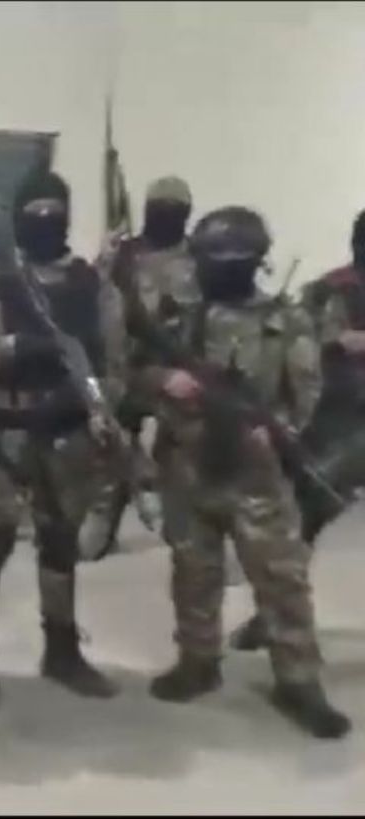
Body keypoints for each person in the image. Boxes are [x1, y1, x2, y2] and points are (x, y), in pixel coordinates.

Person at [142, 206, 350, 739]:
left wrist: (278, 431)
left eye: (228, 262)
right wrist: (165, 380)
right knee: (194, 570)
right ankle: (198, 661)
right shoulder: (181, 319)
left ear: (255, 263)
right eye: (210, 261)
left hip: (256, 472)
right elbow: (136, 372)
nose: (215, 271)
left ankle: (298, 679)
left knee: (281, 576)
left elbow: (307, 392)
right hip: (188, 464)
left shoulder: (286, 321)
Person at [0, 169, 126, 710]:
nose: (46, 221)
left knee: (60, 544)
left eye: (55, 212)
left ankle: (62, 652)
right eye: (35, 213)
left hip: (67, 434)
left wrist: (95, 406)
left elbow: (113, 364)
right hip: (5, 432)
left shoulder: (94, 286)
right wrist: (11, 348)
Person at [229, 208, 365, 652]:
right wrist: (334, 342)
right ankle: (275, 615)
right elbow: (290, 337)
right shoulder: (330, 289)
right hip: (339, 422)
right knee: (302, 515)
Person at [82, 176, 199, 560]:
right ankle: (103, 523)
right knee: (110, 448)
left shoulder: (197, 258)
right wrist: (105, 259)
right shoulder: (125, 254)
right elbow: (91, 294)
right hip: (125, 369)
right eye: (159, 208)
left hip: (177, 370)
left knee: (182, 453)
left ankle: (185, 526)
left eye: (174, 210)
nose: (165, 216)